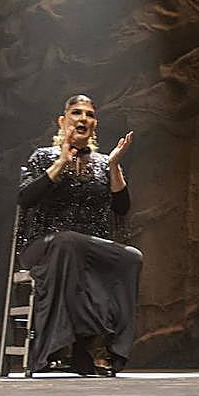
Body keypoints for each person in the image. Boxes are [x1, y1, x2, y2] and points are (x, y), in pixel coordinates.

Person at [17, 94, 142, 376]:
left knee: (131, 257)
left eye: (89, 114)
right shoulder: (43, 157)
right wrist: (61, 162)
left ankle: (108, 345)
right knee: (69, 241)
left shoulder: (102, 163)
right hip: (44, 246)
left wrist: (113, 166)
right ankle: (77, 345)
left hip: (87, 250)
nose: (83, 118)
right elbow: (25, 199)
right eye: (76, 113)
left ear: (95, 124)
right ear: (63, 121)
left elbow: (121, 207)